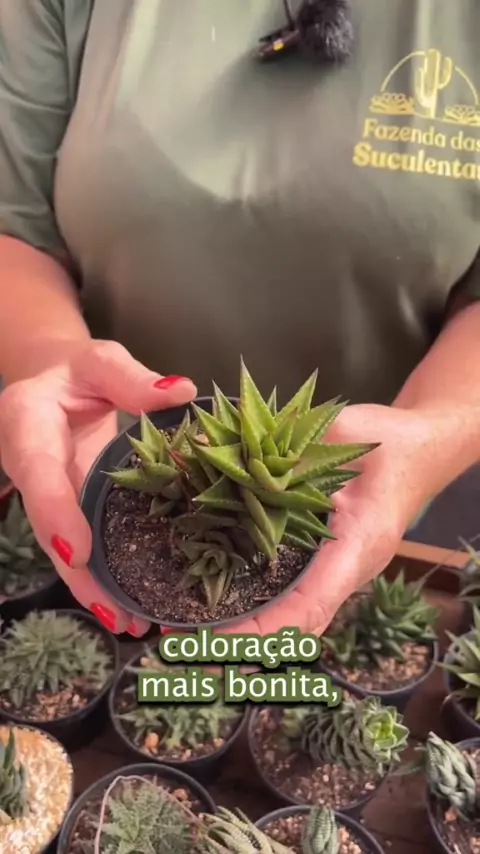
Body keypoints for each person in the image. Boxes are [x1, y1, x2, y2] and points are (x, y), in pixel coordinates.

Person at [0, 0, 479, 638]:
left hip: (356, 490)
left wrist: (436, 434)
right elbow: (16, 227)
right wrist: (49, 353)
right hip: (103, 466)